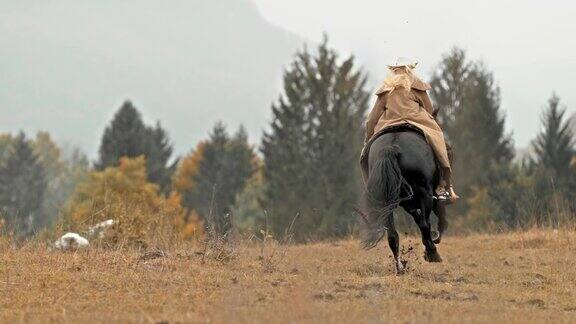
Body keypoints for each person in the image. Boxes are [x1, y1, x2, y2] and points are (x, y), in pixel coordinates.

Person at [361, 57, 459, 203]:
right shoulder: (417, 87)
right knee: (441, 143)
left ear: (393, 70)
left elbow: (371, 120)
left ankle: (372, 191)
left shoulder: (386, 90)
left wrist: (368, 140)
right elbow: (429, 111)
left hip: (388, 124)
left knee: (364, 157)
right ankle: (444, 187)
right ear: (409, 69)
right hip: (418, 122)